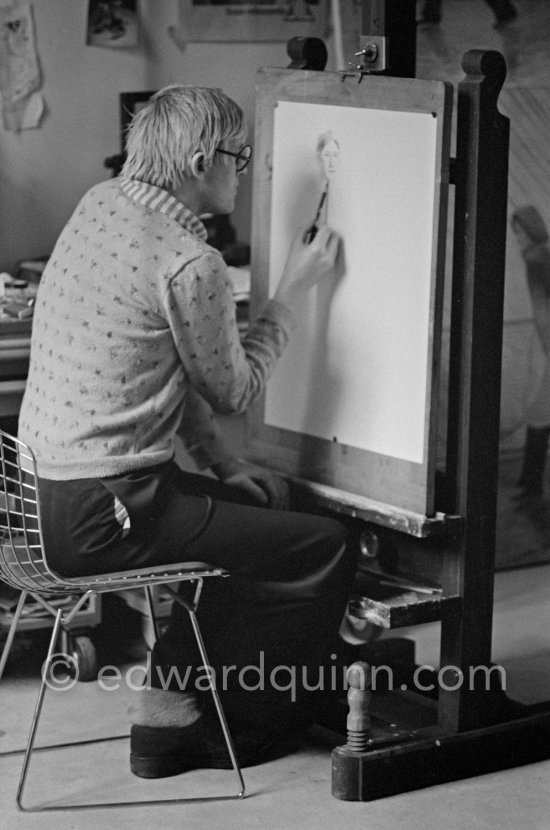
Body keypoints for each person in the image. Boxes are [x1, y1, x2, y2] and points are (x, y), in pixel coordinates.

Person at [18, 85, 360, 779]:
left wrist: (223, 465)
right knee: (323, 546)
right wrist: (291, 290)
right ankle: (250, 727)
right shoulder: (188, 260)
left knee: (258, 510)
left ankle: (166, 719)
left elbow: (170, 367)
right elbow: (231, 388)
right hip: (111, 510)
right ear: (202, 161)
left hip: (47, 495)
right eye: (240, 158)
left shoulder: (100, 204)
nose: (245, 172)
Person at [510, 205, 550, 501]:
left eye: (519, 232)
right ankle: (530, 482)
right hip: (544, 340)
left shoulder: (535, 258)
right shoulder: (546, 252)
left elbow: (543, 311)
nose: (517, 238)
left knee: (539, 411)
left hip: (546, 342)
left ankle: (530, 483)